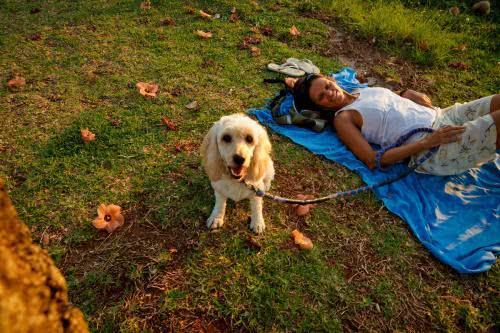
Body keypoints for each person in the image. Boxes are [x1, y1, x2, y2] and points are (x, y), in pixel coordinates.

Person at [285, 75, 499, 176]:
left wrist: (406, 94)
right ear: (319, 106)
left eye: (327, 86)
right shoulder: (343, 119)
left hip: (443, 115)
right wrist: (428, 142)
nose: (330, 93)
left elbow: (388, 104)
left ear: (331, 78)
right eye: (321, 97)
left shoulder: (362, 91)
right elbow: (372, 160)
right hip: (434, 147)